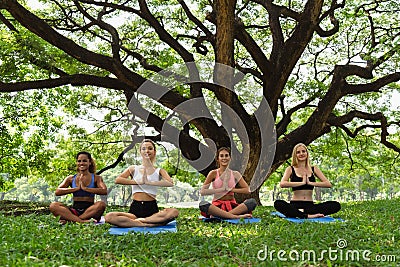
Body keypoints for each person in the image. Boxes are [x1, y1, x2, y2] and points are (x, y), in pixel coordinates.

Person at [105, 139, 179, 227]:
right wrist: (138, 182)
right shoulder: (133, 168)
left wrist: (149, 182)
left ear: (154, 152)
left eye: (150, 148)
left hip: (152, 209)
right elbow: (118, 180)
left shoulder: (159, 170)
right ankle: (146, 223)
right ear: (140, 152)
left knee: (174, 212)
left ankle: (143, 221)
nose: (147, 151)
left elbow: (170, 183)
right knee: (109, 216)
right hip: (135, 208)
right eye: (143, 149)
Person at [274, 143, 341, 219]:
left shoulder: (314, 169)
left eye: (303, 151)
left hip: (310, 206)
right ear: (295, 155)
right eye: (298, 152)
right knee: (278, 203)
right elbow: (283, 184)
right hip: (295, 205)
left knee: (336, 205)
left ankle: (301, 213)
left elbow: (328, 184)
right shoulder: (290, 169)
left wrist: (310, 183)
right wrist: (301, 183)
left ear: (307, 153)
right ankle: (306, 215)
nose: (301, 154)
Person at [199, 147, 257, 219]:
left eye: (226, 155)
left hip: (232, 206)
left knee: (252, 202)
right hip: (217, 206)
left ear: (230, 158)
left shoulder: (235, 174)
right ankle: (235, 216)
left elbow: (247, 190)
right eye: (221, 156)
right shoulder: (213, 173)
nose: (224, 158)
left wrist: (231, 189)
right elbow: (202, 191)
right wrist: (221, 189)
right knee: (203, 204)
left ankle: (223, 216)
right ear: (218, 159)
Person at [49, 151, 107, 223]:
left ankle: (73, 220)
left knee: (101, 204)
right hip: (74, 210)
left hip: (90, 211)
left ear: (90, 162)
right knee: (53, 206)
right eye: (79, 161)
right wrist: (75, 189)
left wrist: (86, 189)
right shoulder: (71, 178)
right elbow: (57, 191)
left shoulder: (96, 178)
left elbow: (104, 191)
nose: (81, 163)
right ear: (77, 163)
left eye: (84, 161)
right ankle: (81, 221)